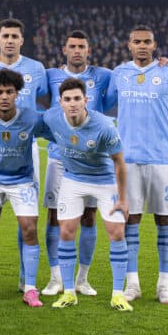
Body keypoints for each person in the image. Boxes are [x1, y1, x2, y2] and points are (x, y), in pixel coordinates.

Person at [105, 25, 168, 305]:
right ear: (128, 45)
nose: (142, 46)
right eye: (136, 42)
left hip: (163, 161)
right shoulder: (119, 74)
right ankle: (133, 284)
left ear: (154, 45)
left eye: (147, 42)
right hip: (127, 161)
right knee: (130, 220)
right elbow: (99, 103)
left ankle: (163, 285)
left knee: (166, 221)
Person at [0, 18, 48, 293]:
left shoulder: (36, 68)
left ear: (22, 40)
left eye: (15, 35)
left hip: (27, 150)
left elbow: (48, 102)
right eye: (6, 35)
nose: (10, 40)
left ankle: (26, 280)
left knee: (27, 218)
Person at [43, 77, 132, 312]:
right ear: (60, 102)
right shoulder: (52, 117)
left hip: (104, 182)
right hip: (73, 179)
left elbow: (120, 163)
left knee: (116, 233)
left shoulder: (103, 126)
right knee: (66, 230)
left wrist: (123, 198)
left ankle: (118, 294)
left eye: (77, 99)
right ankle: (69, 292)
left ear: (86, 100)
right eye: (67, 99)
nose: (72, 103)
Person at [41, 30, 112, 297]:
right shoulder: (49, 75)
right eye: (72, 46)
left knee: (88, 216)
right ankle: (55, 277)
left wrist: (163, 62)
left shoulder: (104, 76)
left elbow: (122, 92)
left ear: (89, 50)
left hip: (92, 160)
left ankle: (82, 278)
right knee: (54, 215)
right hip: (59, 157)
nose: (77, 51)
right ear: (64, 49)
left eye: (82, 46)